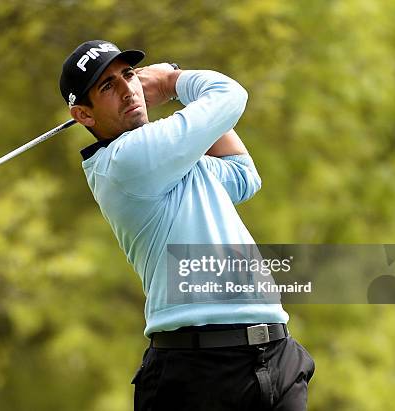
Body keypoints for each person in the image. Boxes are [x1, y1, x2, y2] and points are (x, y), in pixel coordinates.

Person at [59, 40, 315, 411]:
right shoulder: (126, 162)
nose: (128, 88)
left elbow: (243, 175)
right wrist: (170, 83)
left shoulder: (166, 158)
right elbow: (229, 95)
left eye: (128, 74)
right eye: (107, 87)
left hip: (274, 356)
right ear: (84, 115)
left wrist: (178, 95)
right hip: (198, 373)